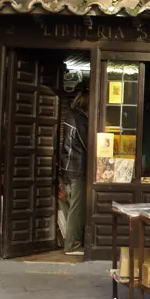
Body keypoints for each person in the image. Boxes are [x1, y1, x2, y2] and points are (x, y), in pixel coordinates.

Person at [60, 92, 88, 255]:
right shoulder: (80, 119)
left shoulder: (70, 116)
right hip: (78, 168)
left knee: (72, 206)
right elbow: (87, 143)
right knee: (76, 208)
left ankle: (72, 242)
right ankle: (73, 245)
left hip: (69, 166)